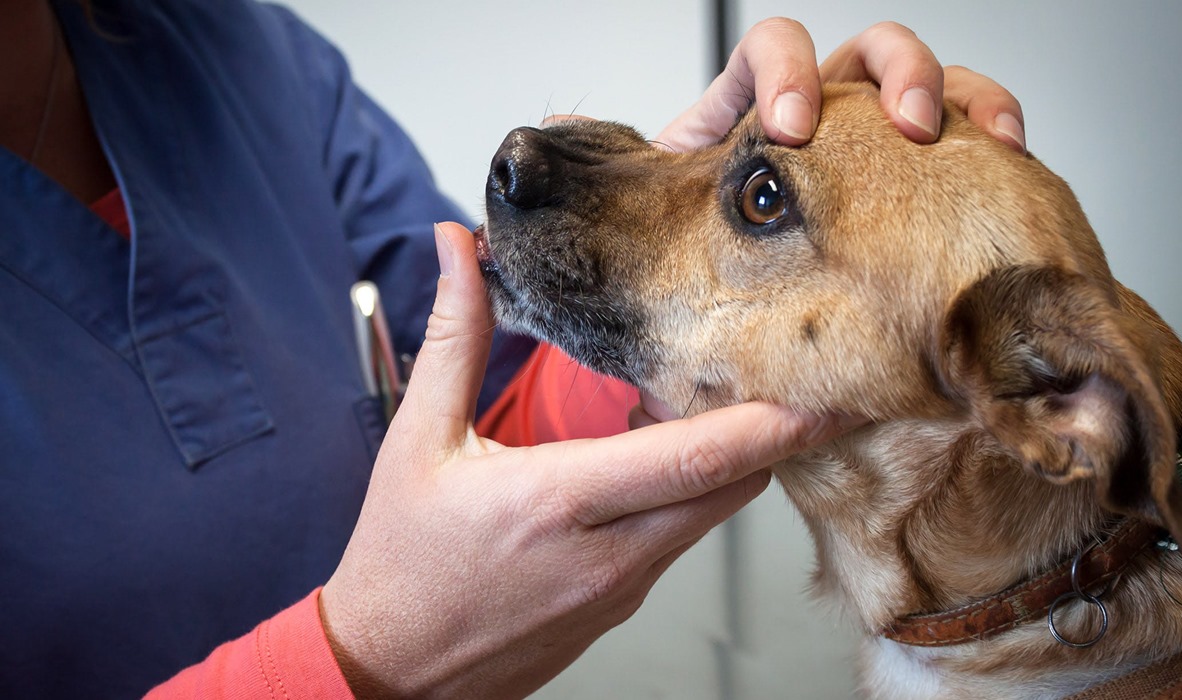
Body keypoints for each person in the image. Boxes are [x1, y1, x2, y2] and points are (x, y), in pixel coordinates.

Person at [0, 0, 1026, 697]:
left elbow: (497, 420)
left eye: (757, 191)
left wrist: (681, 277)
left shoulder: (227, 48)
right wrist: (357, 662)